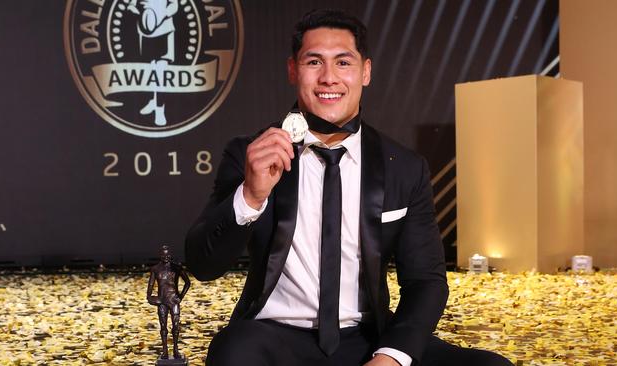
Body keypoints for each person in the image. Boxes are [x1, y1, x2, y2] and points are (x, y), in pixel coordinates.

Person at [185, 9, 513, 366]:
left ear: (365, 72)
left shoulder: (404, 167)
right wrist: (250, 195)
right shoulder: (251, 154)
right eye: (314, 62)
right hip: (276, 337)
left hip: (367, 338)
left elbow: (425, 282)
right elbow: (203, 265)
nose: (329, 78)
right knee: (233, 352)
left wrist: (392, 356)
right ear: (293, 70)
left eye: (343, 62)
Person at [147, 245, 191, 360]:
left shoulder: (176, 268)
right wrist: (149, 297)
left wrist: (181, 296)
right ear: (160, 255)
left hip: (174, 300)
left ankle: (176, 349)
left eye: (167, 255)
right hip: (161, 301)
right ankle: (165, 350)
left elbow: (187, 282)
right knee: (163, 327)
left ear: (170, 255)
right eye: (163, 255)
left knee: (176, 326)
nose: (166, 257)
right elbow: (151, 285)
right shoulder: (155, 269)